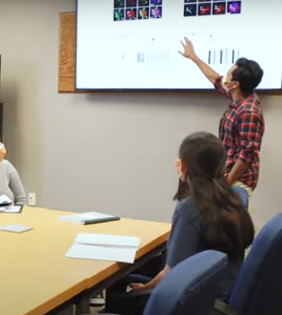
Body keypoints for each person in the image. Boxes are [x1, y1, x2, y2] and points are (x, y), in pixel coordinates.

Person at [103, 132, 254, 315]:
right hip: (219, 292)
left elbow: (171, 274)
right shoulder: (234, 198)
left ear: (181, 166)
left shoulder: (190, 209)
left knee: (116, 299)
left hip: (195, 302)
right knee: (133, 273)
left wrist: (143, 288)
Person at [180, 38, 265, 217]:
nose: (224, 77)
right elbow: (215, 78)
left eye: (228, 74)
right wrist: (193, 57)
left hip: (238, 182)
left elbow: (247, 153)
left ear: (235, 84)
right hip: (226, 177)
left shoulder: (248, 110)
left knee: (235, 230)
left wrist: (227, 183)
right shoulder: (238, 98)